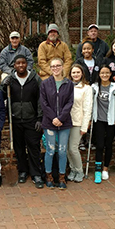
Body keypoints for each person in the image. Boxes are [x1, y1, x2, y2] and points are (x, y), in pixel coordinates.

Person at [1, 54, 44, 189]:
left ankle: (36, 173)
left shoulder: (35, 79)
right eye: (18, 63)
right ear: (14, 65)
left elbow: (41, 100)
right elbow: (2, 96)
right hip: (15, 119)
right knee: (19, 148)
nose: (20, 65)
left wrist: (39, 118)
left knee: (33, 147)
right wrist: (3, 86)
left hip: (31, 119)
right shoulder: (10, 80)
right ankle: (23, 171)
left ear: (27, 64)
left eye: (23, 63)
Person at [40, 58, 74, 189]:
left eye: (58, 65)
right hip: (49, 123)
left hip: (64, 123)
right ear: (50, 68)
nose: (55, 68)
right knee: (50, 150)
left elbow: (70, 103)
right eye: (53, 66)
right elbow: (43, 103)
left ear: (62, 66)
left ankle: (61, 177)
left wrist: (61, 118)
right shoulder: (45, 84)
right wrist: (54, 117)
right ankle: (48, 177)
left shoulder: (69, 83)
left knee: (62, 151)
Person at [91, 65, 115, 183]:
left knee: (109, 145)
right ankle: (98, 170)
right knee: (99, 145)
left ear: (110, 74)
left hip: (111, 120)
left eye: (107, 73)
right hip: (98, 120)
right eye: (102, 73)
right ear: (99, 75)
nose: (104, 75)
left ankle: (105, 169)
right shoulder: (94, 87)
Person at [67, 64, 93, 182]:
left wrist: (84, 126)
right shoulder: (66, 86)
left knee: (73, 148)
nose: (75, 75)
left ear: (82, 73)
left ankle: (79, 171)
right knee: (66, 149)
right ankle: (72, 169)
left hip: (77, 122)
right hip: (65, 122)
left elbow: (88, 109)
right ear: (70, 74)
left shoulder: (87, 88)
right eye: (73, 73)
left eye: (78, 72)